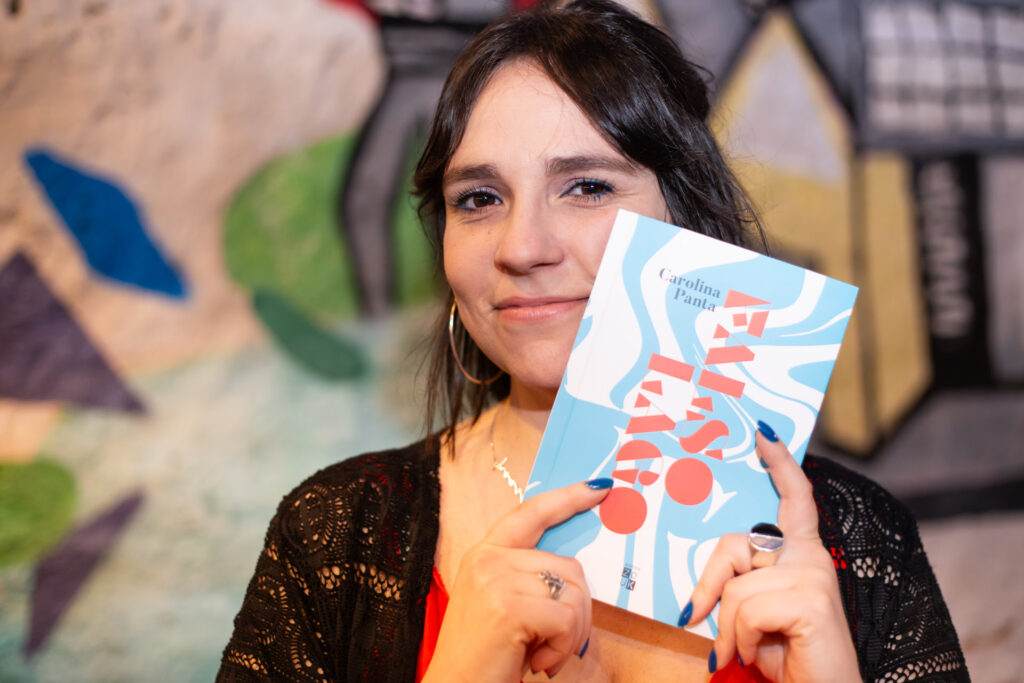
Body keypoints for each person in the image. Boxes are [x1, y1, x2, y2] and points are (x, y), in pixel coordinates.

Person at [218, 2, 968, 681]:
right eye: (479, 198)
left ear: (683, 214)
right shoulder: (334, 533)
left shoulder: (859, 538)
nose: (523, 247)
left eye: (586, 187)